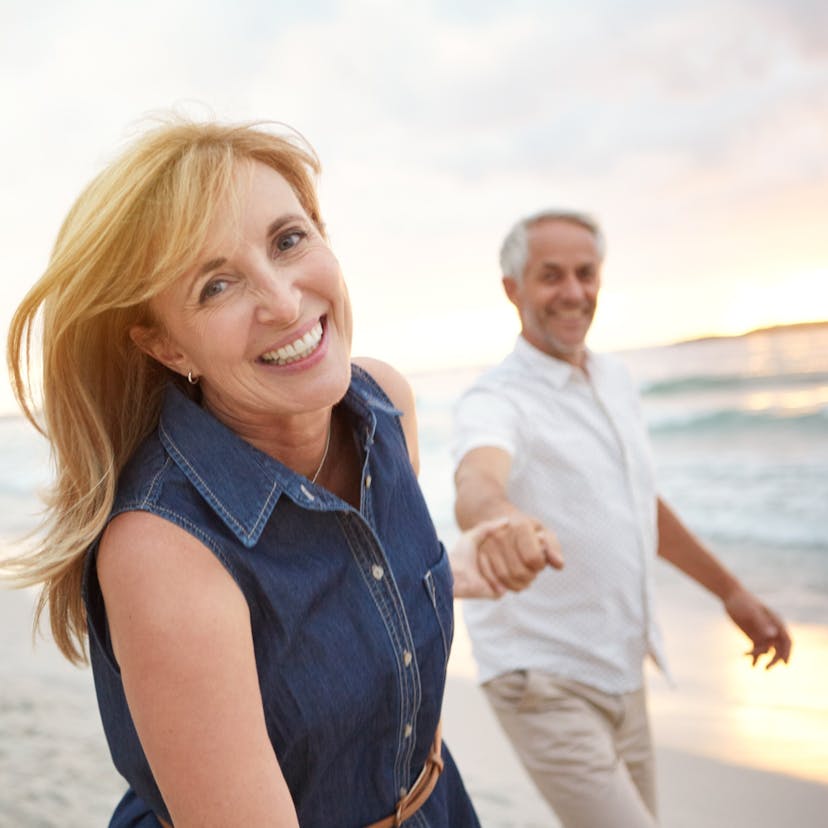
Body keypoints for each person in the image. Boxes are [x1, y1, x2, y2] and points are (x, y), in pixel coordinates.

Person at [4, 117, 523, 828]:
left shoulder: (386, 406)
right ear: (164, 345)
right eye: (217, 286)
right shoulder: (164, 550)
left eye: (288, 239)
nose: (283, 302)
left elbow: (349, 590)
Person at [451, 209, 793, 828]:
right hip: (542, 681)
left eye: (586, 274)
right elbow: (477, 481)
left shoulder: (615, 378)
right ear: (513, 289)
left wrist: (732, 592)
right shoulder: (496, 399)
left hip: (620, 666)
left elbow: (641, 504)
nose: (574, 292)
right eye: (550, 276)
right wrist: (501, 524)